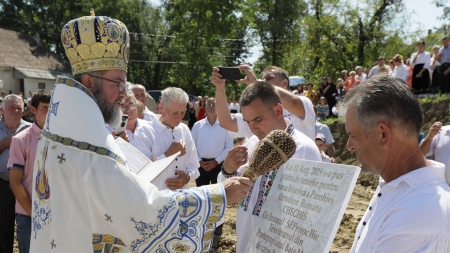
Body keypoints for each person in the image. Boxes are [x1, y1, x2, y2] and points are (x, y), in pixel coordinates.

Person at [30, 12, 252, 253]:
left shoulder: (59, 129)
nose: (125, 95)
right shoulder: (89, 145)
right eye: (117, 84)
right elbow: (142, 212)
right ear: (89, 81)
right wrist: (217, 196)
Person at [339, 74, 450, 252]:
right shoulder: (397, 185)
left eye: (353, 135)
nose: (349, 146)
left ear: (383, 134)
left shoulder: (416, 212)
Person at [216, 81, 321, 252]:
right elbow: (229, 194)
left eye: (258, 119)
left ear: (278, 110)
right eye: (248, 121)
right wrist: (227, 170)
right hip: (246, 244)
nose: (253, 128)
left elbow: (306, 216)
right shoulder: (251, 143)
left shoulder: (303, 149)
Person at [212, 65, 316, 140]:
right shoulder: (255, 114)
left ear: (284, 83)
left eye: (269, 78)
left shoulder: (304, 101)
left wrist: (256, 83)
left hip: (302, 168)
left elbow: (292, 102)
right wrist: (220, 88)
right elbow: (226, 122)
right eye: (262, 80)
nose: (263, 82)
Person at [8, 89, 50, 253]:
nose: (50, 113)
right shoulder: (21, 140)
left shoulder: (64, 141)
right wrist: (35, 213)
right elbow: (15, 182)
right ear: (33, 110)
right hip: (28, 214)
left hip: (55, 212)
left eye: (53, 108)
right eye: (45, 108)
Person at [191, 97, 233, 236]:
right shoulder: (198, 126)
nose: (211, 105)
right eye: (209, 103)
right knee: (202, 194)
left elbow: (229, 146)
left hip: (218, 165)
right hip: (200, 165)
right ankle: (203, 223)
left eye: (214, 103)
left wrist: (216, 161)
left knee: (217, 196)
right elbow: (192, 145)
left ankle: (218, 224)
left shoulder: (225, 126)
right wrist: (199, 161)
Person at [0, 95, 31, 253]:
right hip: (2, 186)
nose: (16, 111)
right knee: (3, 227)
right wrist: (4, 144)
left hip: (26, 186)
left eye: (19, 107)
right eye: (11, 107)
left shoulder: (31, 129)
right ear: (2, 109)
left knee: (26, 226)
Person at [107, 91, 154, 159]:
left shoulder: (149, 128)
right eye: (122, 106)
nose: (128, 110)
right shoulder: (108, 130)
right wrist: (116, 144)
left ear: (136, 107)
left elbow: (157, 155)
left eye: (131, 105)